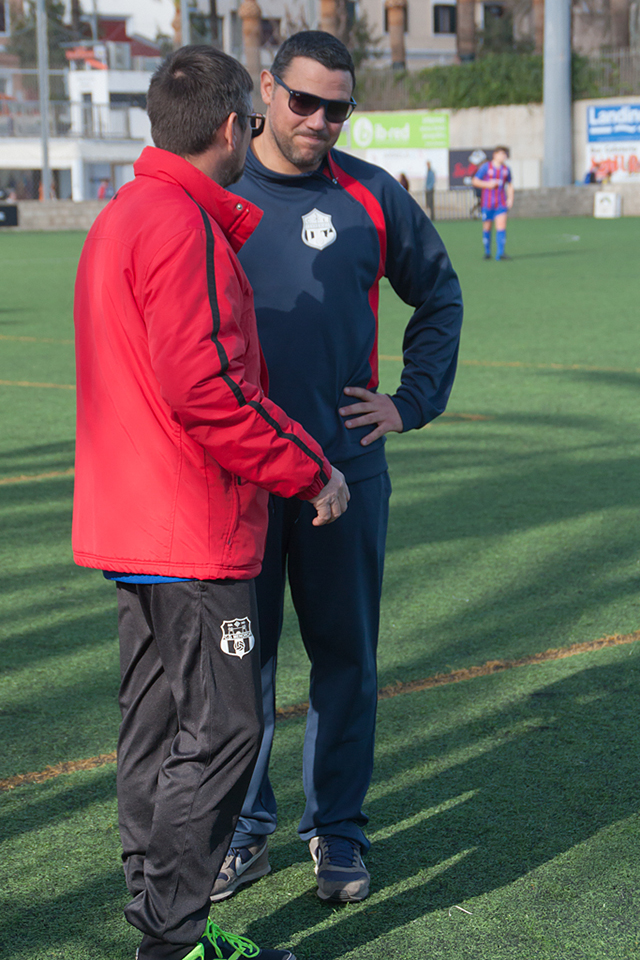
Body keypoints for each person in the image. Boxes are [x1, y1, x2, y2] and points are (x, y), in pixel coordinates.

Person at [72, 45, 349, 960]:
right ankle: (173, 938)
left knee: (156, 731)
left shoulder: (124, 214)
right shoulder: (179, 224)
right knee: (225, 727)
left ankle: (160, 918)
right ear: (236, 125)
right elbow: (208, 392)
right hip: (190, 530)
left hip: (135, 525)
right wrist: (309, 470)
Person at [212, 31, 463, 906]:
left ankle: (338, 833)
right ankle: (243, 833)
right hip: (238, 477)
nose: (319, 121)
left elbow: (439, 292)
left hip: (344, 473)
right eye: (304, 101)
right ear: (267, 93)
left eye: (338, 108)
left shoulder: (371, 193)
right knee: (239, 667)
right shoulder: (214, 190)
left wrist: (410, 400)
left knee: (345, 659)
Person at [472, 146, 514, 261]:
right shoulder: (486, 167)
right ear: (495, 155)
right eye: (501, 154)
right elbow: (475, 181)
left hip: (500, 203)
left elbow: (510, 184)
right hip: (487, 203)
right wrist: (487, 184)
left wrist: (510, 198)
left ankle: (500, 253)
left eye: (505, 154)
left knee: (501, 226)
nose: (503, 156)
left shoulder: (506, 169)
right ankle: (487, 252)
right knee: (487, 227)